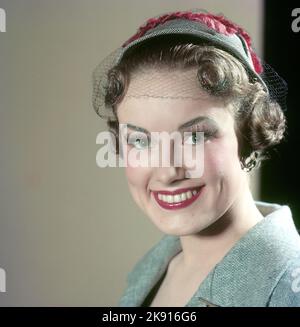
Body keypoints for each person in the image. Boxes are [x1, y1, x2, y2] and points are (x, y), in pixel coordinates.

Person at [92, 9, 300, 307]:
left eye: (196, 136)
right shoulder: (154, 269)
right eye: (140, 140)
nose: (167, 171)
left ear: (249, 133)